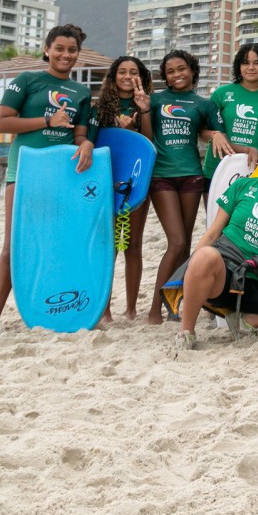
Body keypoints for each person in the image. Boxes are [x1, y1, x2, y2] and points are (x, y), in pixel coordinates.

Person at [0, 24, 95, 336]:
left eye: (71, 50)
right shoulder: (27, 80)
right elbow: (2, 122)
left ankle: (56, 310)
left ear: (78, 55)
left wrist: (86, 144)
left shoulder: (82, 93)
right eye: (59, 48)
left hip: (62, 178)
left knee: (58, 245)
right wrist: (47, 120)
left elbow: (80, 135)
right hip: (24, 173)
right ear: (47, 50)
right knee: (13, 246)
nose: (65, 55)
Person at [175, 127, 258, 349]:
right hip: (225, 275)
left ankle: (251, 320)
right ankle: (186, 333)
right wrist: (190, 272)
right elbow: (212, 233)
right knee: (205, 255)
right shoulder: (242, 186)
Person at [146, 50, 234, 325]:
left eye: (181, 68)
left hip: (192, 178)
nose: (176, 74)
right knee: (177, 242)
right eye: (170, 71)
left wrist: (216, 133)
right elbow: (146, 134)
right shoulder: (155, 100)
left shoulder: (203, 104)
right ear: (165, 76)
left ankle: (174, 304)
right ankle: (153, 309)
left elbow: (210, 133)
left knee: (183, 247)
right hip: (161, 176)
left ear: (192, 70)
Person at [89, 55, 153, 322]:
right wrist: (117, 127)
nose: (127, 76)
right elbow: (95, 142)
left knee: (133, 244)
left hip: (137, 181)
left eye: (133, 72)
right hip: (108, 182)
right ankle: (103, 309)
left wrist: (144, 112)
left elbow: (149, 143)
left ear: (141, 77)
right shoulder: (99, 107)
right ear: (113, 76)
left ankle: (130, 308)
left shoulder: (148, 102)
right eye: (122, 71)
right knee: (109, 245)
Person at [202, 43, 258, 196]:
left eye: (257, 63)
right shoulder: (221, 94)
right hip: (217, 169)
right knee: (215, 220)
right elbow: (202, 133)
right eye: (245, 62)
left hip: (254, 172)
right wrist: (215, 135)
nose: (251, 67)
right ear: (238, 65)